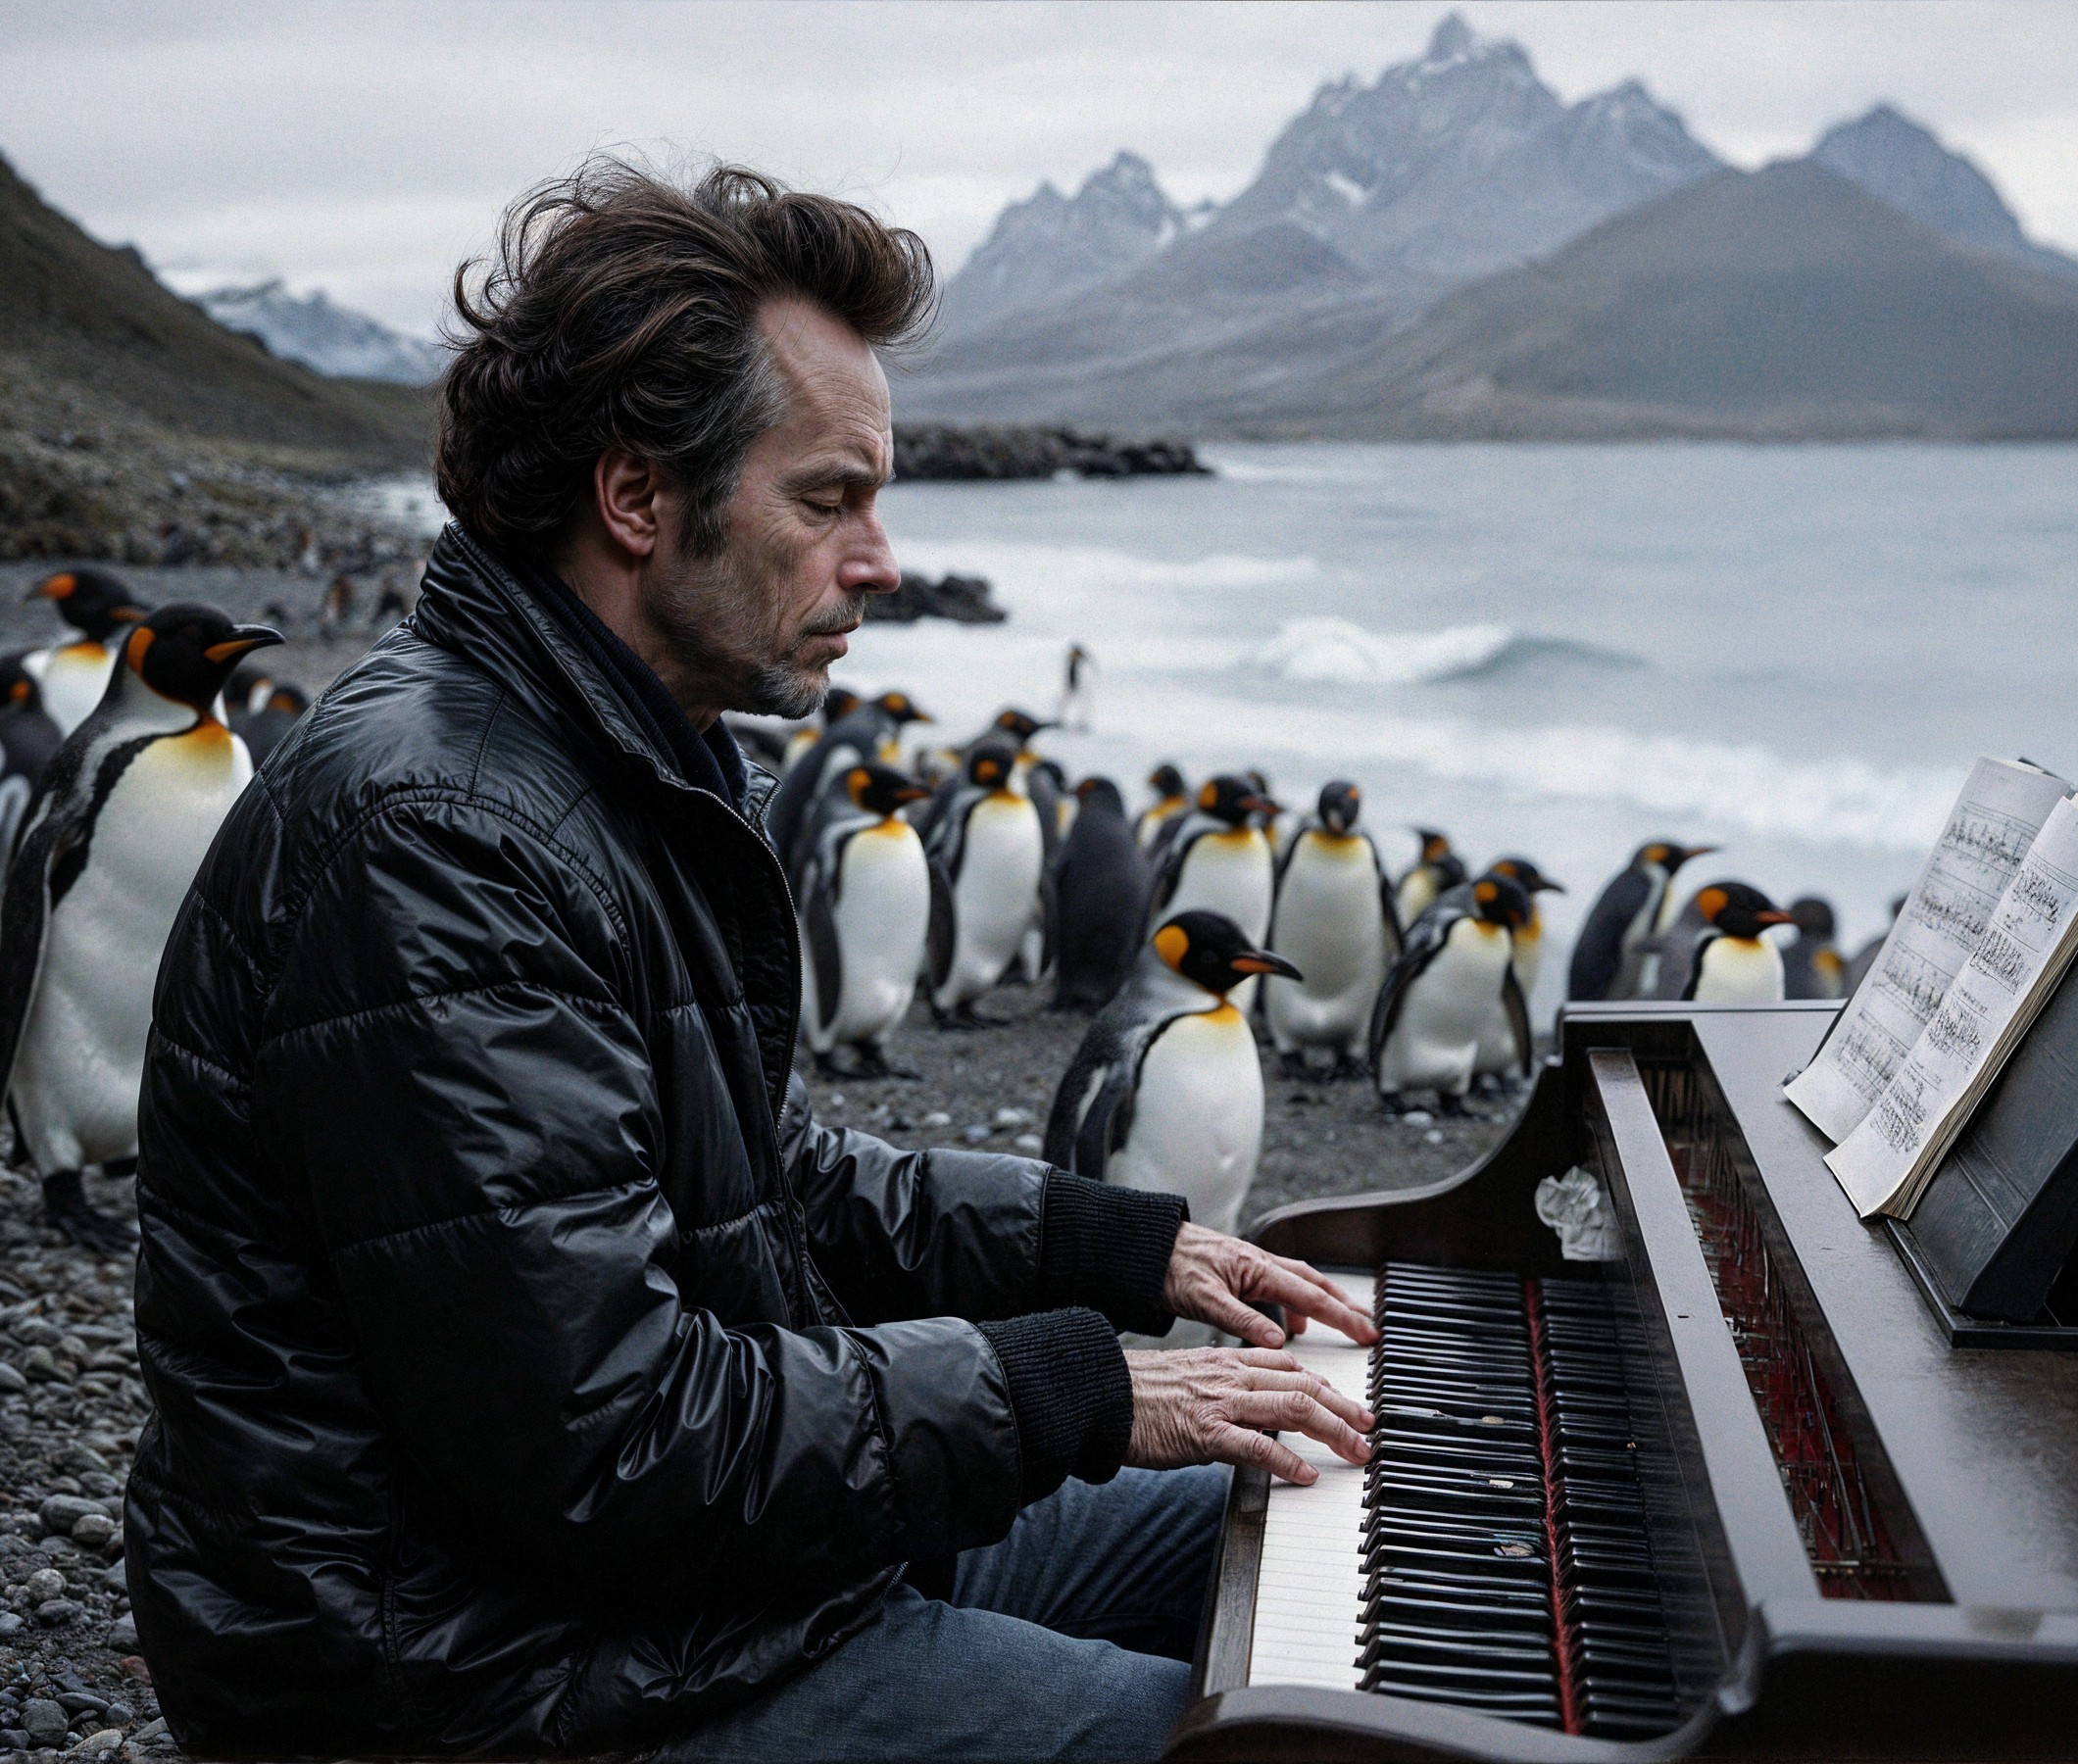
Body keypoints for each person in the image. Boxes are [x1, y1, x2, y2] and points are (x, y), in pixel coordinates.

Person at [124, 160, 1375, 1764]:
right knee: (1253, 1747)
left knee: (1312, 1500)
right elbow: (610, 1438)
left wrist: (1118, 1247)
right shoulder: (443, 834)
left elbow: (749, 1184)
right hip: (481, 1666)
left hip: (674, 1581)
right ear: (639, 498)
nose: (882, 562)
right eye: (827, 499)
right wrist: (1082, 1388)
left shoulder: (609, 759)